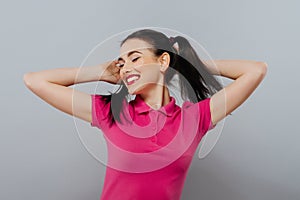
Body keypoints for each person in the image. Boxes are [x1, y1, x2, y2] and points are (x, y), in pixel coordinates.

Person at [23, 29, 267, 200]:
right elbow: (34, 80)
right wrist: (98, 71)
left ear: (162, 62)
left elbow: (256, 70)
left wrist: (187, 63)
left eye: (135, 58)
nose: (126, 67)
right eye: (122, 63)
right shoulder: (111, 112)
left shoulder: (194, 119)